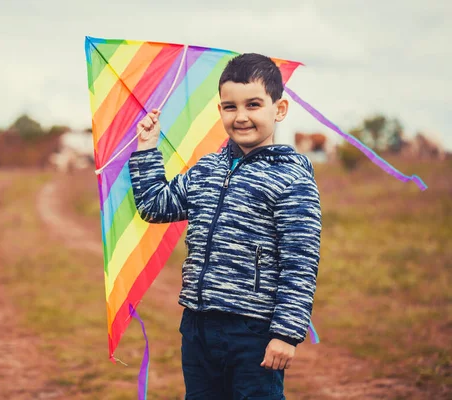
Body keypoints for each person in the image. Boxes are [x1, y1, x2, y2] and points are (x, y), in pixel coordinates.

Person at [127, 53, 322, 399]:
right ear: (220, 111)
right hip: (198, 326)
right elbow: (154, 206)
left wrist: (286, 333)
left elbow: (300, 262)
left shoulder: (291, 178)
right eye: (230, 107)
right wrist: (146, 146)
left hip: (254, 331)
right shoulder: (206, 170)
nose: (241, 116)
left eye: (254, 104)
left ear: (279, 109)